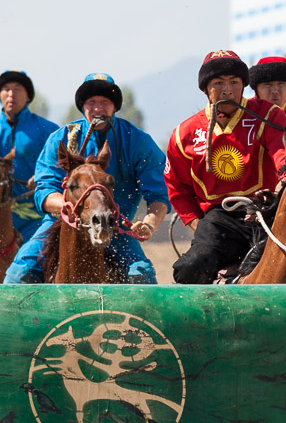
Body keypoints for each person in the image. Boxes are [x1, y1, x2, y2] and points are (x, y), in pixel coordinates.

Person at [3, 73, 169, 284]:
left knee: (142, 274)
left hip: (115, 226)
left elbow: (159, 194)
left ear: (114, 106)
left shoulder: (138, 141)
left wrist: (150, 223)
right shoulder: (61, 138)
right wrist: (66, 206)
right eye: (91, 102)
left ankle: (150, 318)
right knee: (18, 274)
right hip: (60, 223)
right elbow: (44, 189)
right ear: (83, 107)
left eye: (105, 102)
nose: (98, 107)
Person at [165, 50, 286, 284]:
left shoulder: (269, 115)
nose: (227, 90)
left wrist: (284, 179)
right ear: (205, 89)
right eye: (218, 83)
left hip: (268, 212)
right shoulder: (184, 134)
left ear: (244, 86)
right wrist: (197, 223)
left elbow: (281, 154)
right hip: (219, 220)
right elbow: (177, 187)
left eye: (234, 82)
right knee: (190, 268)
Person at [0, 70, 58, 242]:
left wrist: (43, 178)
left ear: (28, 96)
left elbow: (63, 168)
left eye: (17, 89)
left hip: (36, 216)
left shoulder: (49, 130)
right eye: (6, 88)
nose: (11, 94)